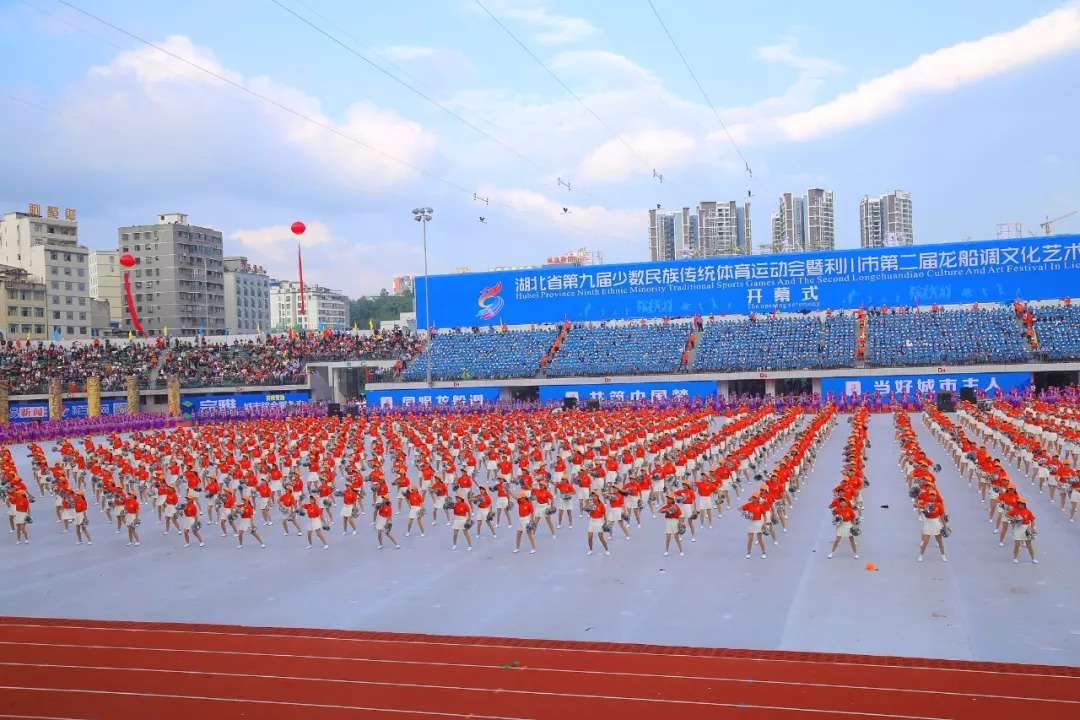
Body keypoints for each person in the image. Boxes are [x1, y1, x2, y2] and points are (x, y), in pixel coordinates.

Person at [917, 489, 948, 563]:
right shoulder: (926, 504)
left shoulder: (939, 505)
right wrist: (923, 507)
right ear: (929, 496)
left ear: (935, 497)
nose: (932, 497)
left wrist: (945, 526)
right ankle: (921, 555)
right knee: (925, 541)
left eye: (933, 495)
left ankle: (943, 555)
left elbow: (941, 516)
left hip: (936, 523)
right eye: (930, 495)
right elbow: (916, 505)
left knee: (940, 541)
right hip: (928, 523)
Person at [1006, 498, 1038, 564]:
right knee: (1017, 544)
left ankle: (1033, 558)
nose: (1020, 505)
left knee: (1029, 544)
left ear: (1024, 504)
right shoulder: (1015, 510)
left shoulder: (1028, 511)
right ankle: (1015, 558)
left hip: (1026, 527)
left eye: (1022, 503)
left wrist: (1033, 528)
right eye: (1019, 503)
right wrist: (1014, 518)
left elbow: (1032, 519)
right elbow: (1007, 514)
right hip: (1017, 527)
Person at [739, 492, 768, 559]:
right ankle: (749, 552)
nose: (754, 498)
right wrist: (744, 513)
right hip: (751, 523)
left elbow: (764, 515)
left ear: (758, 498)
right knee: (750, 539)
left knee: (760, 539)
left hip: (758, 522)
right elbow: (740, 508)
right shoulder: (749, 504)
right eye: (753, 497)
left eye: (756, 497)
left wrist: (765, 524)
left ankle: (764, 552)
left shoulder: (760, 505)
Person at [658, 492, 684, 557]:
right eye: (668, 498)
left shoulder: (676, 507)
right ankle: (666, 551)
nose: (668, 500)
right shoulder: (667, 506)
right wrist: (666, 510)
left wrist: (680, 524)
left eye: (670, 499)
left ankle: (681, 551)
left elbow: (679, 516)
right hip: (668, 522)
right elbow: (660, 510)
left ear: (673, 500)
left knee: (676, 538)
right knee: (668, 538)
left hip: (674, 521)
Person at [584, 490, 609, 556]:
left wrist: (606, 523)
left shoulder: (601, 505)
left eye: (595, 496)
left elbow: (604, 514)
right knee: (589, 537)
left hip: (599, 521)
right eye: (593, 496)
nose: (593, 497)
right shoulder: (590, 504)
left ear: (598, 497)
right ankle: (591, 550)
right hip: (592, 521)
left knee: (601, 538)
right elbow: (586, 503)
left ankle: (607, 550)